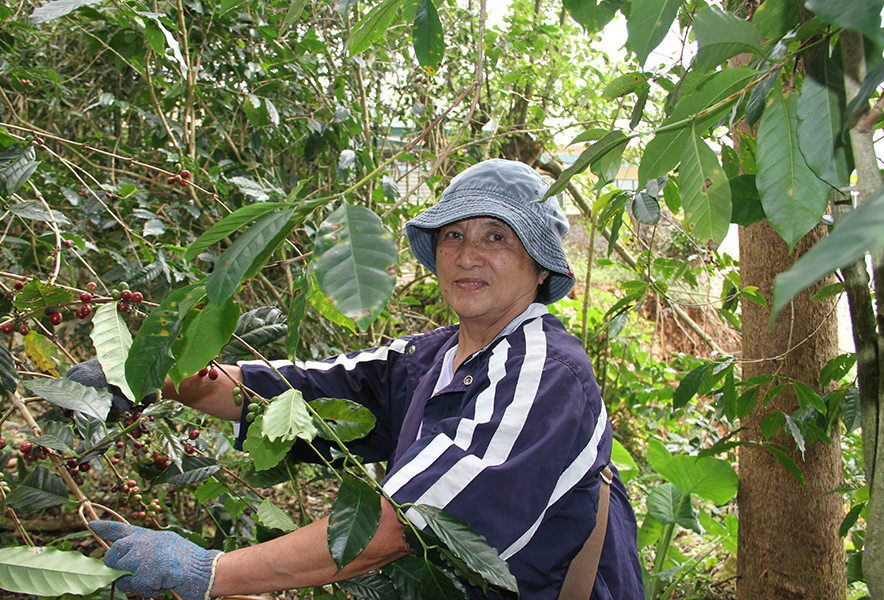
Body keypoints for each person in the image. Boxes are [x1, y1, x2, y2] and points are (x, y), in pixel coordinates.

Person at [84, 159, 644, 600]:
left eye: (496, 237)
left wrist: (211, 571)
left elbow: (403, 524)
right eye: (453, 236)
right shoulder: (430, 356)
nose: (467, 254)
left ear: (542, 265)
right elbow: (287, 391)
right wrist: (148, 375)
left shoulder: (545, 373)